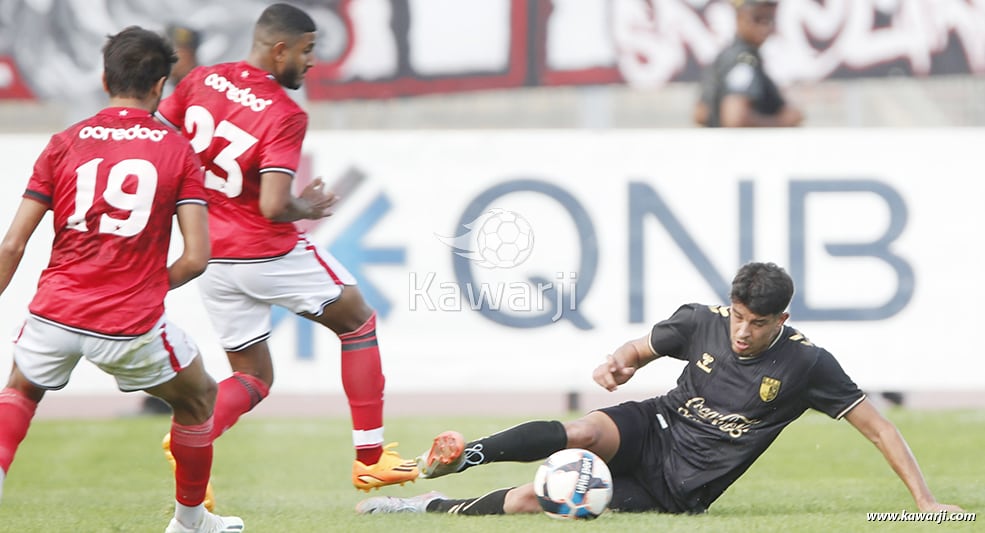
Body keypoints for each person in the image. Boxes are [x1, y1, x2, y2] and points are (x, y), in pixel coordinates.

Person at [357, 262, 964, 516]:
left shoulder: (810, 365)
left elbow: (879, 425)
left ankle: (420, 507)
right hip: (655, 425)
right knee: (586, 429)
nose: (743, 333)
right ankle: (462, 457)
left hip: (683, 486)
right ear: (729, 304)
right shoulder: (700, 319)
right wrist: (618, 364)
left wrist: (926, 502)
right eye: (738, 316)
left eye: (758, 323)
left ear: (783, 319)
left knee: (530, 501)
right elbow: (639, 349)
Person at [154, 2, 418, 495]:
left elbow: (164, 140)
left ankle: (195, 434)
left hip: (210, 256)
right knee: (357, 320)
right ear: (280, 50)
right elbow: (274, 206)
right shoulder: (285, 113)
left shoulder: (200, 81)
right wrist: (308, 207)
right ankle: (370, 458)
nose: (312, 60)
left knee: (253, 376)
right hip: (265, 251)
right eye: (307, 50)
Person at [0, 27, 243, 533]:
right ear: (160, 86)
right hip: (128, 323)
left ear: (104, 77)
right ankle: (191, 523)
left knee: (20, 391)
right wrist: (145, 286)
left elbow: (12, 244)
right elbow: (197, 257)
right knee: (199, 398)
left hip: (55, 310)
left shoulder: (63, 143)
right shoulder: (177, 152)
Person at [694, 0, 803, 127]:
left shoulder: (724, 57)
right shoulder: (744, 60)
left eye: (769, 19)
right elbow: (735, 117)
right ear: (739, 18)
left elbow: (701, 113)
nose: (765, 26)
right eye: (757, 18)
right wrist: (782, 122)